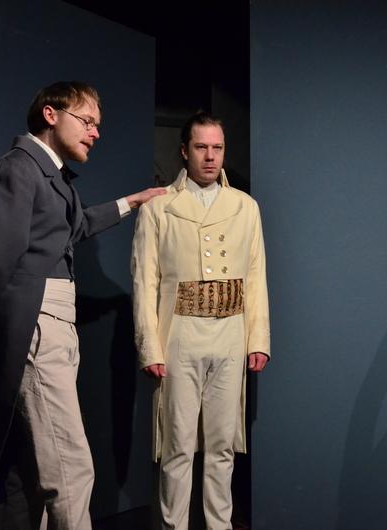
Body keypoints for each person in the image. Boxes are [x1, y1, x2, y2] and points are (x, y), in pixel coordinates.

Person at [0, 81, 164, 530]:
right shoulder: (18, 168)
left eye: (97, 125)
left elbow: (78, 223)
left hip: (54, 322)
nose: (95, 132)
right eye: (87, 121)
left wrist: (133, 201)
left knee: (34, 468)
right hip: (37, 319)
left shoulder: (50, 175)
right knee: (70, 467)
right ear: (51, 115)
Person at [131, 111, 270, 529]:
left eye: (217, 148)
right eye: (201, 147)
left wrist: (257, 338)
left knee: (222, 445)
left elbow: (257, 274)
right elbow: (144, 281)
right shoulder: (160, 207)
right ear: (184, 151)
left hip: (229, 333)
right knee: (177, 445)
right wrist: (149, 347)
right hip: (180, 336)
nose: (210, 157)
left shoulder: (245, 206)